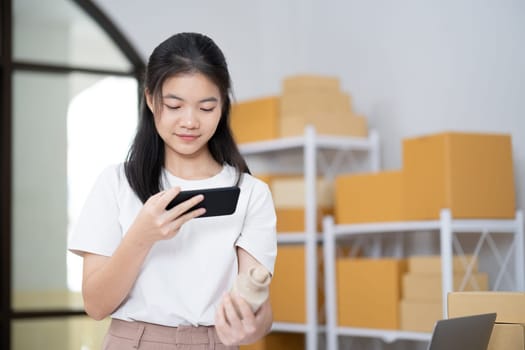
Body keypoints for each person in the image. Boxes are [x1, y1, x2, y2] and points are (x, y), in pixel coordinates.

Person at [68, 32, 277, 350]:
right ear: (151, 99)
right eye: (175, 105)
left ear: (223, 105)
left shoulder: (250, 193)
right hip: (135, 341)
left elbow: (258, 301)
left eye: (206, 108)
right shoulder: (116, 184)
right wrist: (142, 235)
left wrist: (251, 326)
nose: (190, 121)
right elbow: (96, 305)